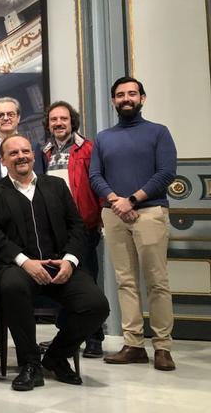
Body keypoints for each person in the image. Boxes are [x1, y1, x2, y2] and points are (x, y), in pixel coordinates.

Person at [0, 135, 110, 391]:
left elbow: (77, 226)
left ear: (33, 155)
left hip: (60, 265)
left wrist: (70, 261)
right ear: (3, 160)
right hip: (18, 267)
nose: (21, 156)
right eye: (13, 153)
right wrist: (25, 262)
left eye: (25, 151)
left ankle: (57, 357)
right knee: (12, 288)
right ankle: (30, 364)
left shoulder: (56, 186)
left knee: (96, 305)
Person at [90, 76, 177, 371]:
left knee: (157, 283)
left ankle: (163, 347)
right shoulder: (103, 137)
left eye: (132, 93)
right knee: (125, 282)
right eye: (120, 95)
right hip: (113, 215)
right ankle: (134, 344)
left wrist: (132, 199)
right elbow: (95, 176)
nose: (126, 98)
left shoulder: (158, 132)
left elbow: (166, 173)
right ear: (113, 101)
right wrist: (116, 200)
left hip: (150, 213)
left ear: (142, 98)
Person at [41, 101, 105, 357]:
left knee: (87, 280)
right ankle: (67, 337)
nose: (58, 123)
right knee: (62, 283)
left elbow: (98, 184)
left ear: (72, 121)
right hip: (54, 229)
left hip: (83, 226)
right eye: (54, 119)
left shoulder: (88, 149)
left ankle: (94, 338)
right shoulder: (43, 152)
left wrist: (100, 218)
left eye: (63, 119)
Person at [0, 97, 45, 184]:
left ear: (18, 118)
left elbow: (39, 179)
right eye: (0, 115)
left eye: (10, 114)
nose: (6, 118)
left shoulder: (33, 146)